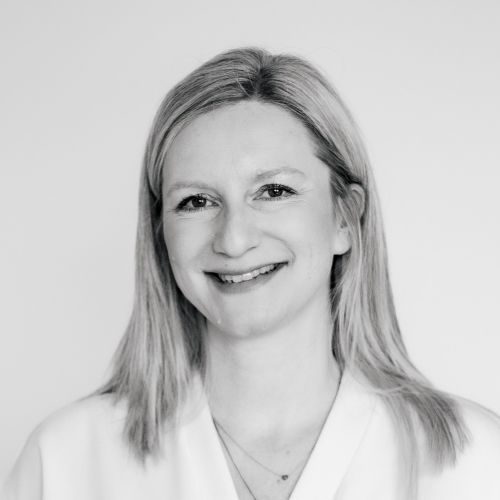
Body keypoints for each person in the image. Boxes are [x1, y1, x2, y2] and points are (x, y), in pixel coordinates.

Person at [3, 47, 500, 500]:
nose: (234, 239)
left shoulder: (475, 462)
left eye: (274, 191)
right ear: (160, 233)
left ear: (345, 219)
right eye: (196, 201)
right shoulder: (66, 461)